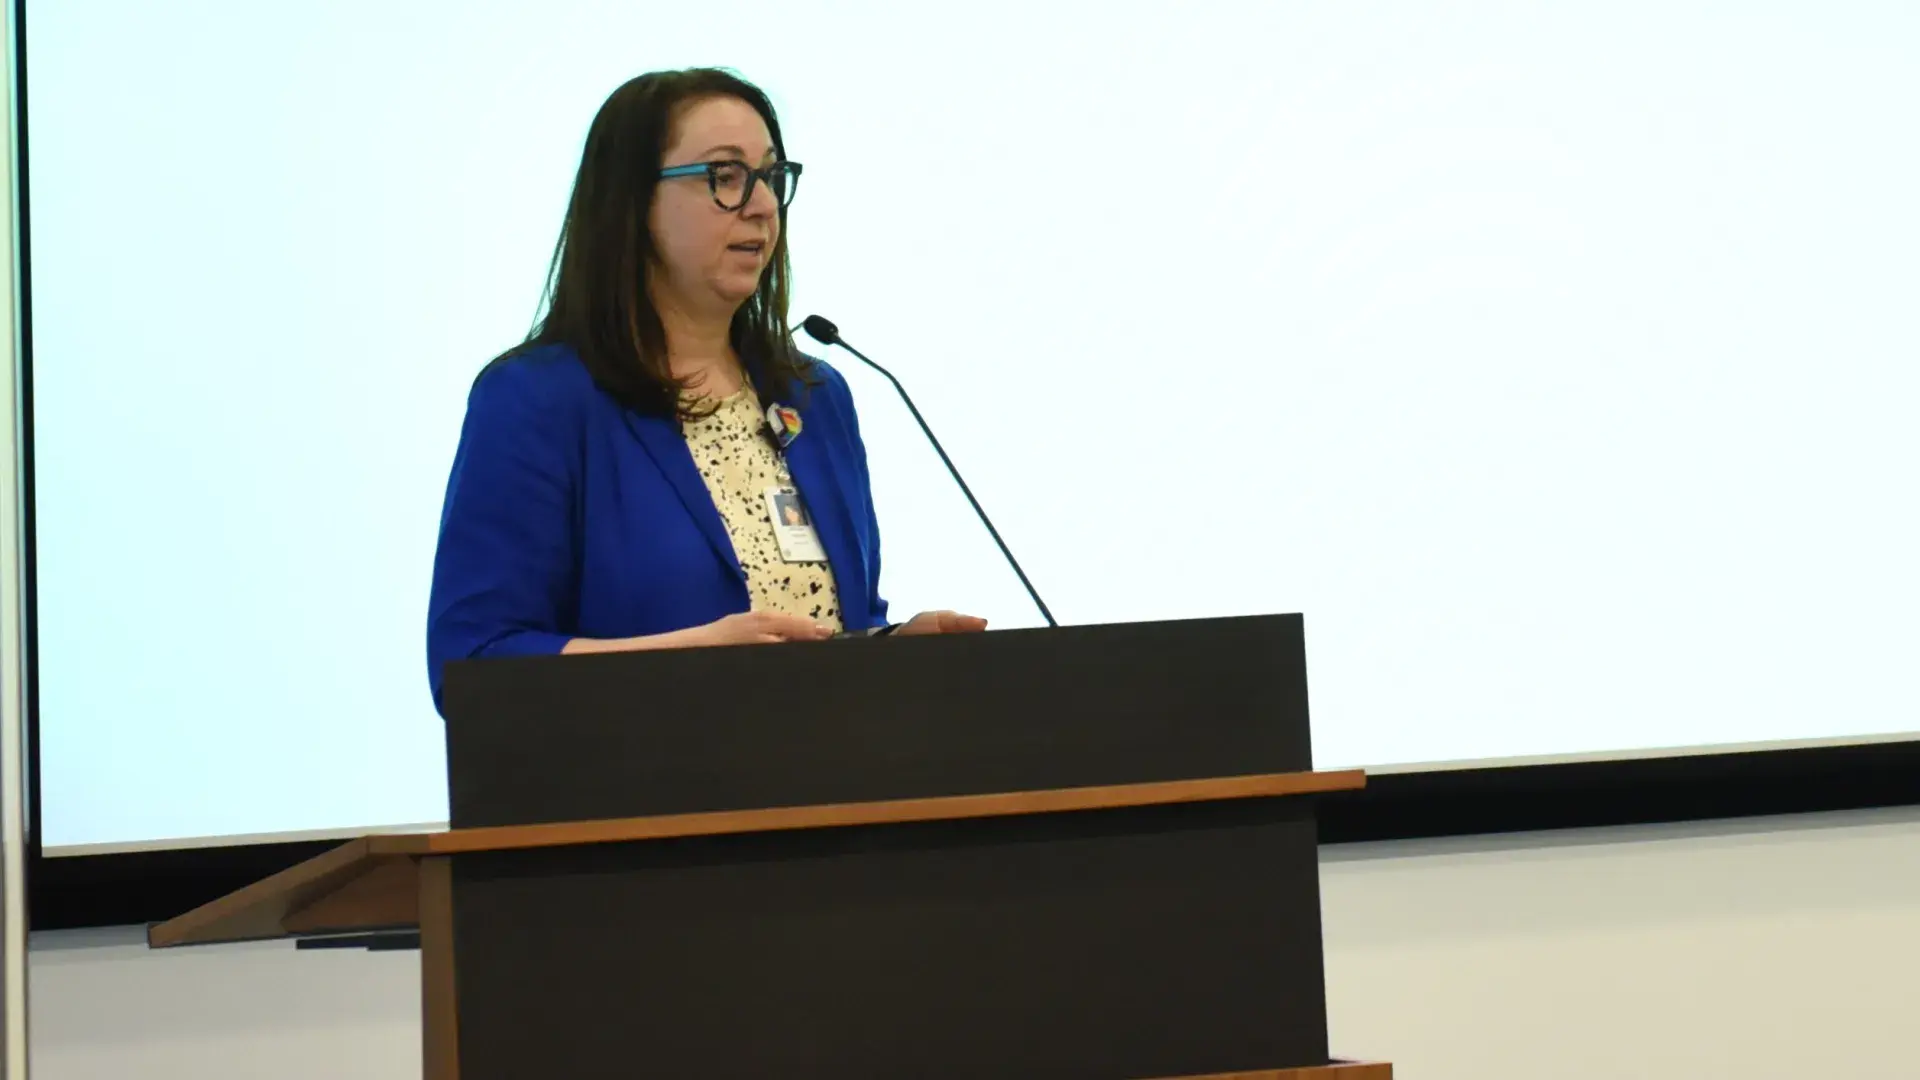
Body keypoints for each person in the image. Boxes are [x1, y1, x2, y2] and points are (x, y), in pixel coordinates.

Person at [425, 68, 984, 714]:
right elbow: (473, 661)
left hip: (827, 771)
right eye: (725, 175)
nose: (762, 204)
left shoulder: (816, 396)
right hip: (637, 776)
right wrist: (686, 662)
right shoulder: (536, 400)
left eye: (771, 176)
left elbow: (836, 619)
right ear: (633, 203)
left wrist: (893, 647)